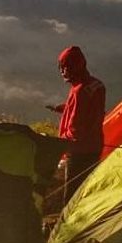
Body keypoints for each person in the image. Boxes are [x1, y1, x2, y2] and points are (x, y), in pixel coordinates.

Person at [47, 46, 106, 201]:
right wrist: (63, 108)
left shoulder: (79, 91)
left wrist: (58, 142)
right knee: (85, 191)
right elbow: (88, 111)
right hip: (95, 146)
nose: (62, 72)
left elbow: (76, 129)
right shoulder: (96, 85)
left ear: (74, 67)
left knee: (71, 195)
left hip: (80, 151)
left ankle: (68, 224)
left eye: (64, 67)